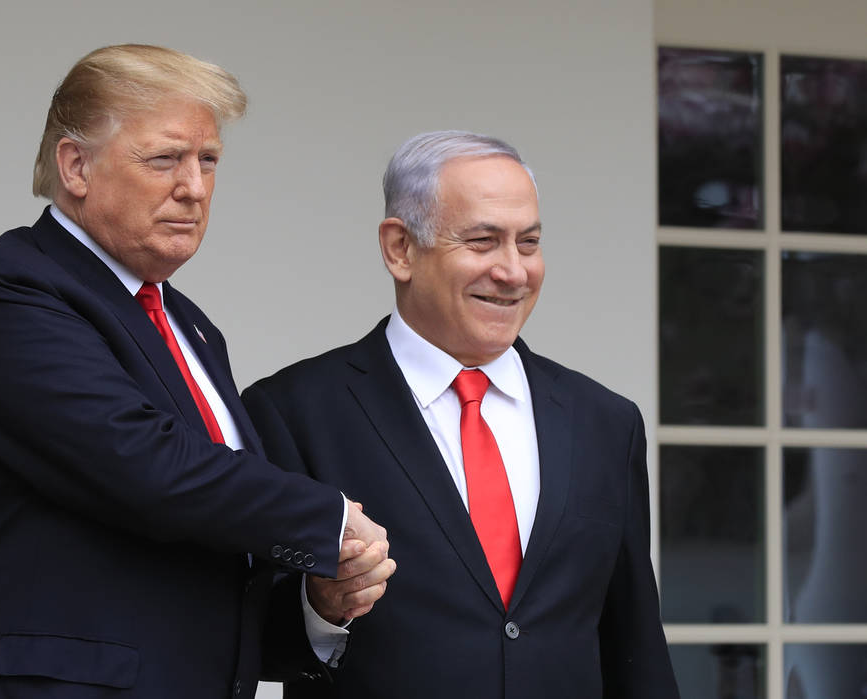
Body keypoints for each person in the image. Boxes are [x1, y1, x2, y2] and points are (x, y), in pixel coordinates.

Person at [0, 44, 393, 699]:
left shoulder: (191, 327)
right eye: (164, 159)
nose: (195, 186)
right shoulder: (5, 289)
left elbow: (198, 570)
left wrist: (317, 603)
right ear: (76, 165)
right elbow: (145, 464)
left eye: (208, 160)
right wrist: (325, 519)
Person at [242, 131, 681, 698]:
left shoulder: (605, 422)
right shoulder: (291, 411)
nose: (513, 272)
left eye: (529, 243)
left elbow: (634, 644)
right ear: (400, 248)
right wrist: (322, 606)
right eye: (482, 241)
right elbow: (241, 634)